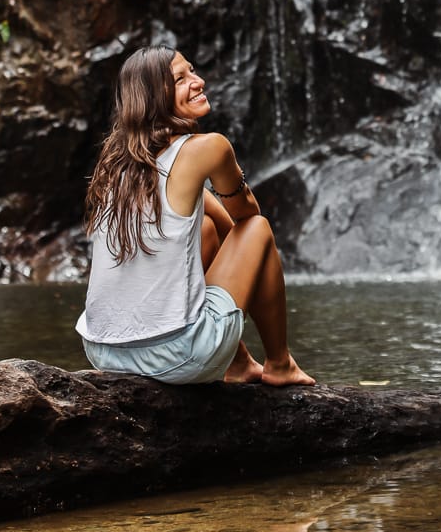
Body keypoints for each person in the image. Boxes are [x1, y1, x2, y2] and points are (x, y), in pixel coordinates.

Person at [76, 45, 314, 387]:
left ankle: (241, 363)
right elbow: (247, 218)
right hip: (179, 355)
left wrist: (215, 231)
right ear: (154, 96)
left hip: (103, 352)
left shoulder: (117, 166)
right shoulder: (209, 148)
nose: (198, 81)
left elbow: (205, 216)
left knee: (202, 230)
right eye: (181, 78)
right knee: (258, 229)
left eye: (193, 71)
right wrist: (247, 266)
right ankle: (280, 363)